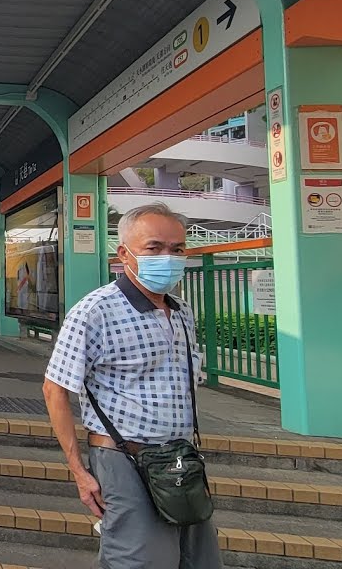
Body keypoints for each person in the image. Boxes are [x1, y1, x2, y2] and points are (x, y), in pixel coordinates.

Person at [42, 203, 219, 569]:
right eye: (154, 248)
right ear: (124, 254)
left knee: (198, 560)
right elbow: (55, 388)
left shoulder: (182, 311)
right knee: (140, 561)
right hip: (124, 459)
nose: (168, 258)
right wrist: (79, 471)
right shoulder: (95, 310)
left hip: (179, 459)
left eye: (177, 249)